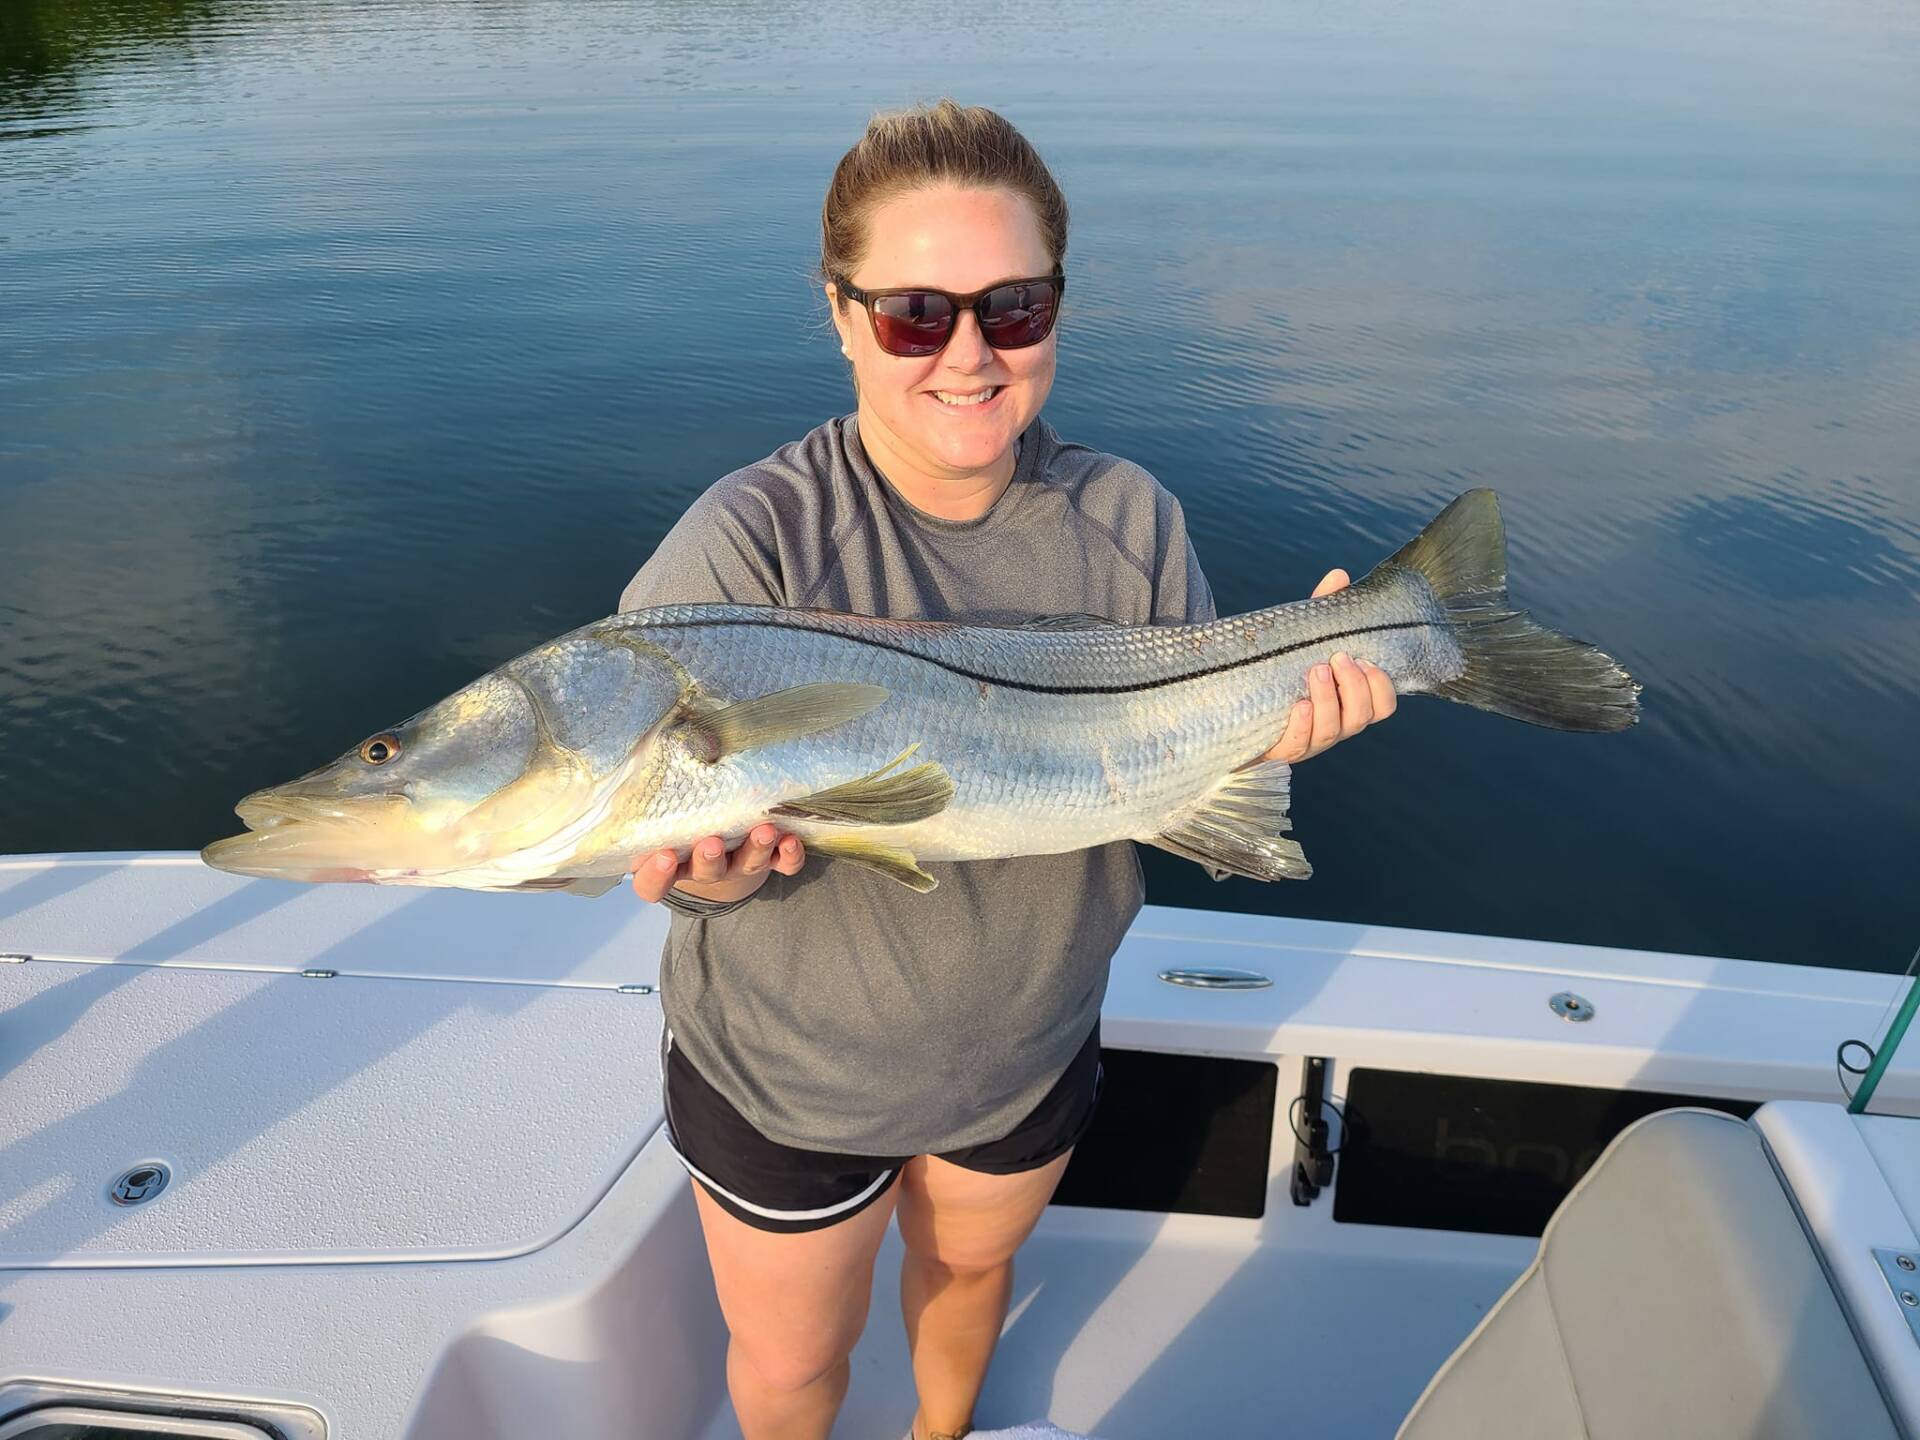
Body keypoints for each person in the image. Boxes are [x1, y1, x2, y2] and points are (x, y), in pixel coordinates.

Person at [619, 98, 1396, 1440]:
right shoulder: (746, 545)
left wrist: (1271, 726)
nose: (968, 355)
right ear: (842, 311)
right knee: (796, 1364)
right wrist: (711, 879)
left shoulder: (1129, 514)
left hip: (1029, 1048)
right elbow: (650, 845)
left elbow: (1166, 770)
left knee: (971, 1269)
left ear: (1057, 309)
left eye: (1013, 307)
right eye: (918, 310)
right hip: (795, 1078)